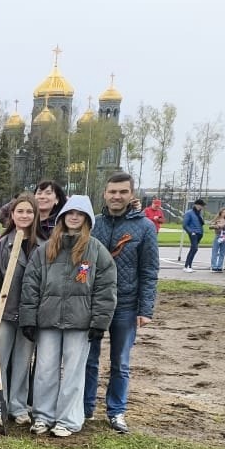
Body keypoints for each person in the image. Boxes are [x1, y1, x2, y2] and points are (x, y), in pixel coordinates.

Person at [20, 195, 117, 437]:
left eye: (80, 214)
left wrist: (99, 322)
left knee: (74, 371)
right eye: (70, 213)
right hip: (48, 320)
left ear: (86, 219)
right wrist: (29, 318)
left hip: (80, 322)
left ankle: (68, 420)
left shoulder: (96, 251)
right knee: (45, 369)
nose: (74, 217)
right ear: (62, 217)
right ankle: (42, 415)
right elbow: (30, 285)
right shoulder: (46, 250)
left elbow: (106, 289)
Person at [84, 172, 159, 434]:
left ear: (131, 194)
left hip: (126, 304)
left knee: (120, 362)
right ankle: (85, 409)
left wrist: (145, 308)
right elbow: (84, 261)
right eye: (112, 192)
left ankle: (116, 411)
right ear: (105, 193)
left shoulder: (145, 227)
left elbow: (149, 270)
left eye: (122, 192)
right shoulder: (94, 224)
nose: (117, 196)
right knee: (88, 359)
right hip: (93, 303)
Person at [0, 192, 40, 426]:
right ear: (12, 215)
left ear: (35, 215)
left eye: (29, 211)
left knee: (22, 362)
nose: (24, 215)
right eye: (20, 211)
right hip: (4, 310)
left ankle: (16, 405)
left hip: (29, 313)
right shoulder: (2, 244)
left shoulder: (43, 245)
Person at [182, 198, 206, 271]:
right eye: (200, 205)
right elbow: (185, 225)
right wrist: (191, 232)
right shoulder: (189, 213)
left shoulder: (199, 214)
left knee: (193, 249)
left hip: (199, 233)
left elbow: (201, 224)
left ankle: (188, 265)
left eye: (202, 206)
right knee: (194, 248)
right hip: (193, 233)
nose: (201, 207)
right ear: (196, 205)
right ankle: (187, 266)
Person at [209, 208, 225, 272]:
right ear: (220, 212)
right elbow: (210, 225)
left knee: (222, 252)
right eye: (223, 212)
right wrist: (217, 226)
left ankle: (219, 266)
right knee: (215, 251)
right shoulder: (217, 219)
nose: (224, 214)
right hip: (218, 236)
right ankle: (213, 266)